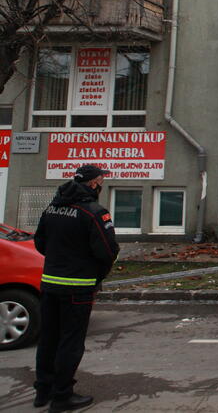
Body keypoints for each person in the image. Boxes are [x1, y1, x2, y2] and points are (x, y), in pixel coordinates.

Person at [33, 164, 120, 412]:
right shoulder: (94, 213)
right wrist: (93, 272)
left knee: (48, 339)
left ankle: (43, 391)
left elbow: (40, 242)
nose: (101, 185)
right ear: (93, 184)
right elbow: (106, 251)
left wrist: (59, 260)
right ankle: (62, 396)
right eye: (101, 180)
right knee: (70, 343)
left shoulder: (53, 208)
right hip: (77, 288)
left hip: (50, 283)